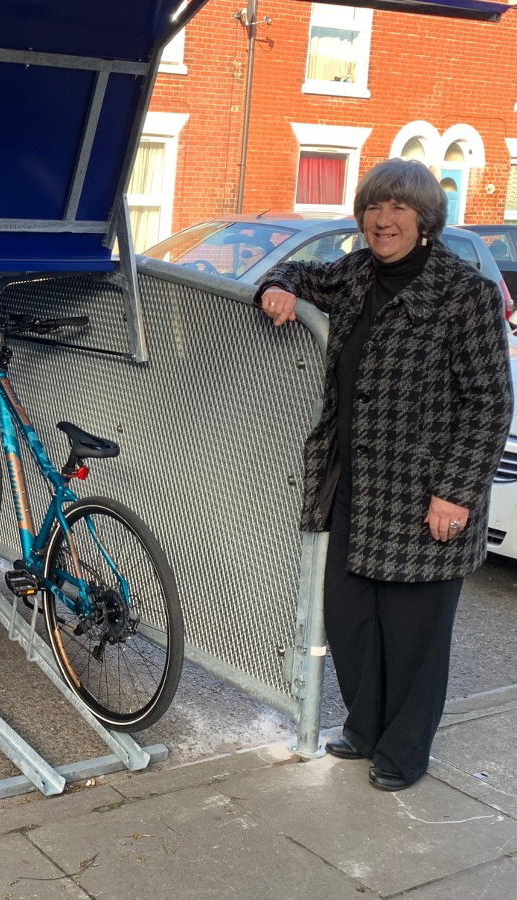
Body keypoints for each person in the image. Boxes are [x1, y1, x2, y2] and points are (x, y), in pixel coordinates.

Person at [257, 158, 513, 791]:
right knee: (350, 620)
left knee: (414, 636)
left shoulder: (466, 294)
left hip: (426, 494)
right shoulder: (355, 275)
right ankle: (364, 727)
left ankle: (402, 750)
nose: (383, 219)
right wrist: (278, 287)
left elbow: (489, 400)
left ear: (426, 220)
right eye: (374, 207)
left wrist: (455, 492)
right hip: (354, 486)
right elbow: (292, 269)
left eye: (399, 208)